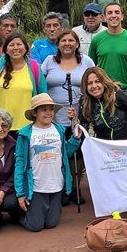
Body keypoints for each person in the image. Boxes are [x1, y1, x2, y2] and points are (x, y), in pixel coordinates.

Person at [14, 94, 82, 232]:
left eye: (51, 109)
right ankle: (18, 215)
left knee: (51, 224)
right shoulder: (25, 134)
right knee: (36, 226)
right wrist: (20, 193)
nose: (48, 113)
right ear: (35, 112)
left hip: (56, 184)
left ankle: (42, 212)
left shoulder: (59, 130)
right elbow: (20, 163)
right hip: (37, 186)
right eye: (43, 109)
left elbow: (65, 152)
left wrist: (75, 139)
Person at [0, 33, 47, 133]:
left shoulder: (34, 66)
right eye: (12, 45)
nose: (16, 48)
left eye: (19, 44)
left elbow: (43, 95)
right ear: (6, 50)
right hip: (2, 127)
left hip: (29, 127)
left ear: (26, 48)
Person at [42, 30, 95, 132]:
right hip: (52, 115)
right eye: (63, 41)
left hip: (80, 115)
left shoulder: (86, 61)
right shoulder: (49, 61)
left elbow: (97, 80)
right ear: (58, 44)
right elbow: (39, 83)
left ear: (77, 44)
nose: (67, 43)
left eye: (71, 40)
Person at [79, 67, 127, 140]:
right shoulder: (84, 101)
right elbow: (83, 125)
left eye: (97, 81)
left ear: (104, 81)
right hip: (105, 145)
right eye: (89, 83)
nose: (94, 86)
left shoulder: (118, 95)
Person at [88, 3, 127, 88]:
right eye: (110, 12)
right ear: (104, 17)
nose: (113, 15)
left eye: (117, 12)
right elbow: (91, 67)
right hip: (103, 90)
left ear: (122, 16)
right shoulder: (96, 40)